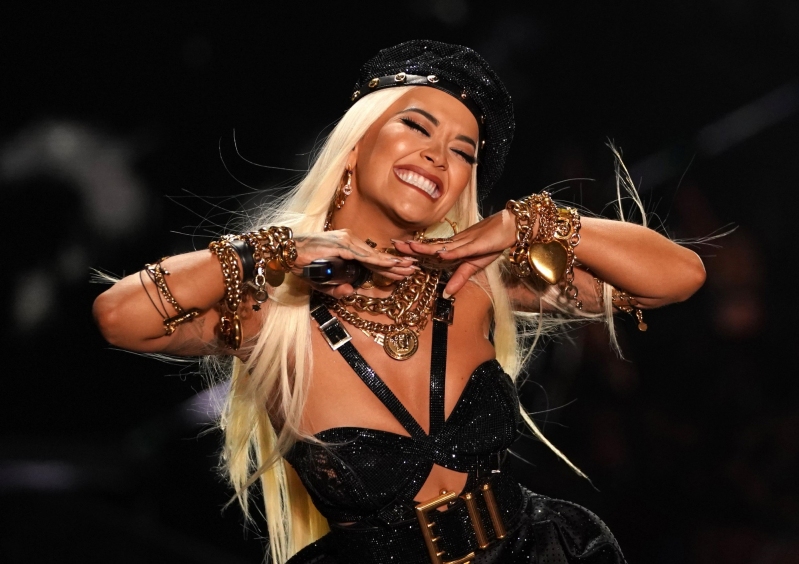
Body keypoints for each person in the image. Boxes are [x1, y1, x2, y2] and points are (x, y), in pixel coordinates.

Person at [93, 40, 706, 564]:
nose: (440, 155)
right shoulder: (270, 312)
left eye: (464, 151)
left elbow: (678, 276)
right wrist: (273, 251)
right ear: (355, 145)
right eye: (417, 126)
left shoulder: (478, 282)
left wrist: (527, 223)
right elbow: (119, 317)